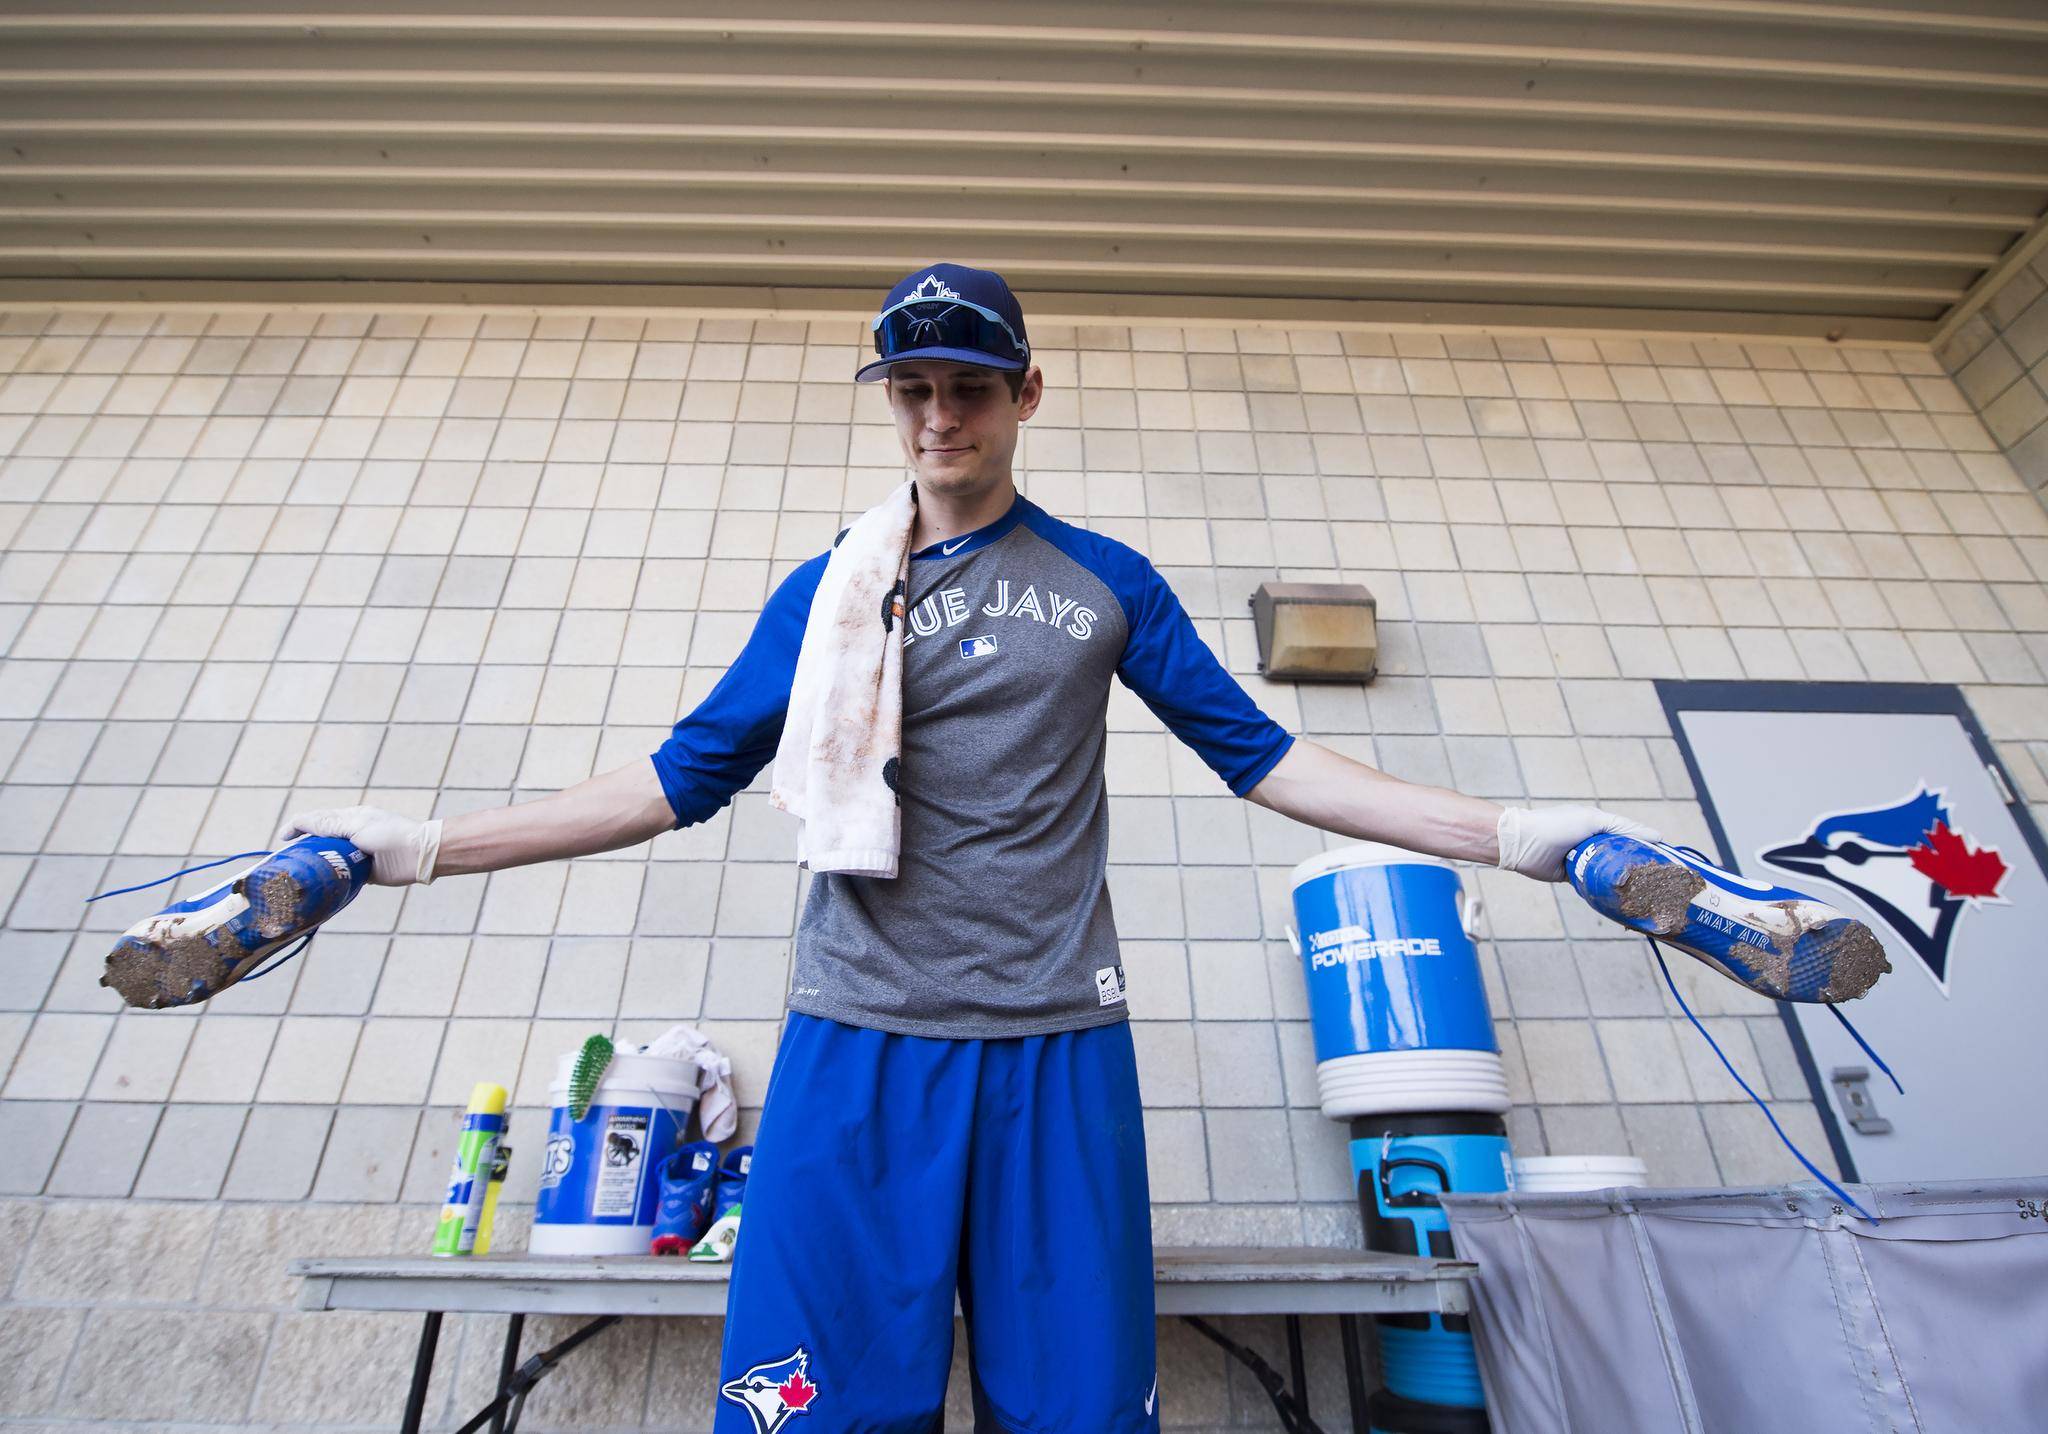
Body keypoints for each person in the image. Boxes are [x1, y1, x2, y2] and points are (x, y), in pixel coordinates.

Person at [284, 263, 1651, 1432]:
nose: (940, 415)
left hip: (1056, 1043)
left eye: (971, 388)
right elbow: (672, 779)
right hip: (859, 1035)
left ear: (1026, 394)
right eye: (913, 389)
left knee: (1074, 1406)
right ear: (891, 400)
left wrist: (1518, 835)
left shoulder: (1105, 579)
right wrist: (414, 846)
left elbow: (1271, 759)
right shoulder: (831, 590)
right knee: (805, 1400)